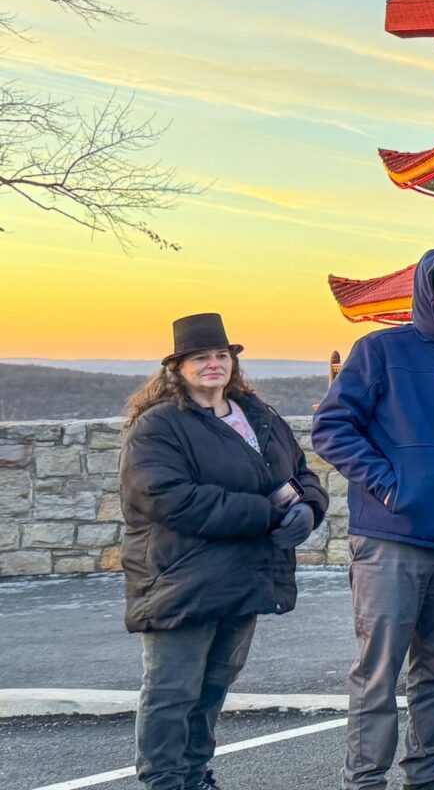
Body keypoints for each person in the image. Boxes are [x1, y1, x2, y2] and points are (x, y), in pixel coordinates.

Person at [314, 248, 434, 790]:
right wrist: (389, 485)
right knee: (378, 673)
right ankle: (365, 779)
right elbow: (332, 428)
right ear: (426, 295)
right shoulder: (379, 351)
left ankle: (425, 774)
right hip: (390, 542)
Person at [120, 313, 329, 790]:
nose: (213, 365)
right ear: (177, 367)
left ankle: (195, 776)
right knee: (172, 691)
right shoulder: (158, 427)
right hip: (182, 580)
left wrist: (310, 508)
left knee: (214, 687)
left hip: (245, 576)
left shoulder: (258, 415)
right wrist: (268, 514)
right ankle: (165, 781)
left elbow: (300, 473)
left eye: (221, 356)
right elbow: (171, 498)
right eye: (200, 357)